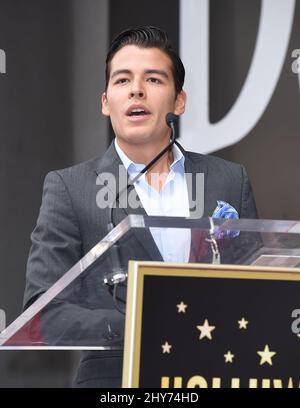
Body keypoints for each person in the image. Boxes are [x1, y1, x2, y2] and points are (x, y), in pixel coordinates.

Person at [23, 26, 258, 387]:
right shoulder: (71, 188)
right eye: (122, 80)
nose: (137, 90)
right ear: (105, 102)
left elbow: (256, 293)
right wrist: (144, 323)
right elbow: (45, 312)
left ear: (179, 101)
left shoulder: (229, 180)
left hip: (215, 375)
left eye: (153, 78)